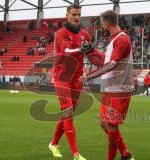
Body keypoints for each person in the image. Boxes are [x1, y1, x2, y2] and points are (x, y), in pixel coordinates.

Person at [49, 4, 104, 160]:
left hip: (77, 78)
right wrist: (84, 48)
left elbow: (91, 53)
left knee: (69, 113)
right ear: (67, 15)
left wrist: (107, 57)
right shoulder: (60, 33)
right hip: (62, 77)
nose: (77, 17)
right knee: (68, 112)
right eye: (74, 14)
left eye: (79, 14)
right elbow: (67, 52)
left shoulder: (84, 34)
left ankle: (53, 144)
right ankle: (75, 154)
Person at [79, 10, 135, 160]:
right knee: (105, 123)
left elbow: (111, 64)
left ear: (106, 23)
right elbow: (106, 61)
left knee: (111, 124)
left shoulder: (121, 40)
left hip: (119, 89)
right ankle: (125, 153)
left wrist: (89, 75)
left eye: (102, 23)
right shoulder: (115, 39)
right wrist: (92, 51)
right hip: (112, 88)